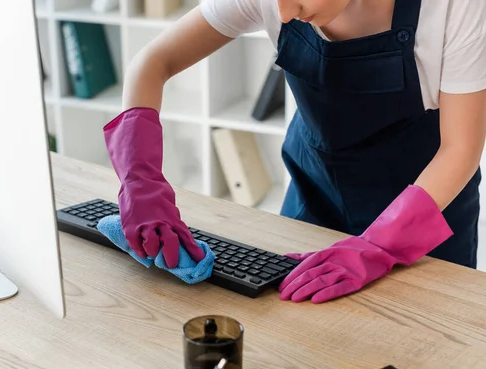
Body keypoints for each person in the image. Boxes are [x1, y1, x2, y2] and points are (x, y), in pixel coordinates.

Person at [103, 0, 486, 303]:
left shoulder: (455, 7)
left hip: (423, 216)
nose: (283, 12)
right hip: (312, 196)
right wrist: (140, 181)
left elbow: (461, 149)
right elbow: (152, 63)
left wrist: (378, 245)